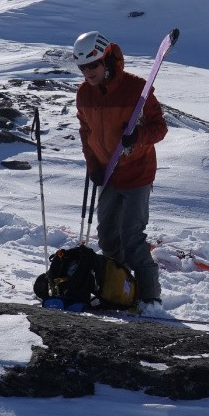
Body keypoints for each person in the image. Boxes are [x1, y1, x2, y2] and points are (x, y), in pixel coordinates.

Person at [72, 30, 169, 303]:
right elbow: (85, 132)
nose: (87, 72)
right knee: (107, 239)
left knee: (132, 238)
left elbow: (159, 128)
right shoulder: (84, 95)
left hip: (137, 173)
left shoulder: (136, 88)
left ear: (107, 61)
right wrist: (93, 166)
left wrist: (139, 136)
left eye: (93, 65)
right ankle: (119, 290)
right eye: (82, 67)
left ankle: (150, 300)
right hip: (109, 173)